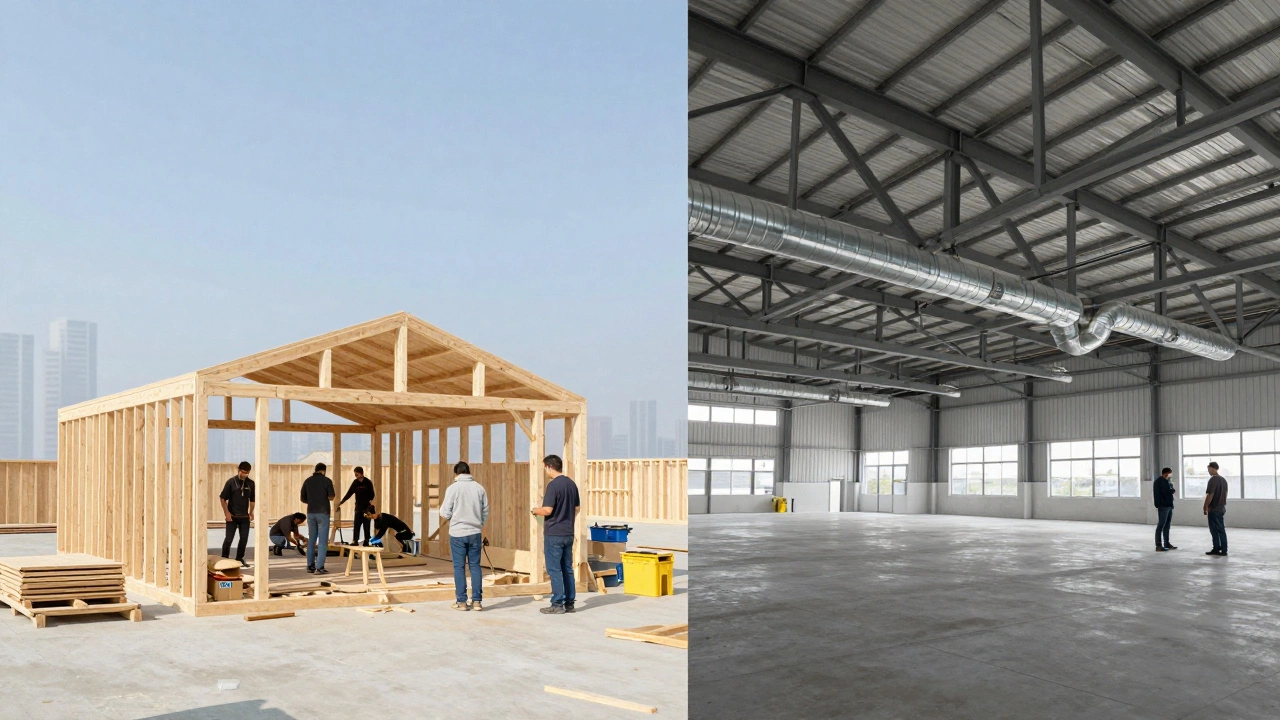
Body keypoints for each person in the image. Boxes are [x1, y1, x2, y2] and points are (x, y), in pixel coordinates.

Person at [531, 454, 580, 615]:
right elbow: (577, 508)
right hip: (568, 532)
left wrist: (534, 510)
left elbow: (547, 510)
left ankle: (557, 603)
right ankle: (570, 602)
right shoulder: (571, 484)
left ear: (550, 467)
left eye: (545, 467)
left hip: (554, 534)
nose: (545, 471)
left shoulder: (553, 486)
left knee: (554, 569)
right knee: (567, 568)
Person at [440, 461, 490, 611]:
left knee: (459, 567)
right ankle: (477, 602)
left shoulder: (452, 489)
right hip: (475, 532)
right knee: (475, 566)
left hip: (457, 533)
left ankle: (461, 602)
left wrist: (452, 518)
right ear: (469, 472)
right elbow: (485, 511)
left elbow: (444, 512)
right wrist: (479, 523)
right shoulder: (479, 488)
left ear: (456, 474)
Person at [300, 463, 336, 574]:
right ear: (324, 471)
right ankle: (320, 567)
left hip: (311, 513)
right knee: (322, 541)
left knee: (311, 540)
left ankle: (310, 566)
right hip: (323, 513)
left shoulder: (307, 481)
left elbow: (303, 498)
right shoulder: (327, 481)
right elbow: (331, 496)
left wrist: (312, 501)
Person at [218, 461, 256, 566]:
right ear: (238, 470)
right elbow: (222, 498)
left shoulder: (251, 483)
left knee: (244, 538)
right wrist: (227, 513)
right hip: (232, 516)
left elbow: (252, 500)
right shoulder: (231, 482)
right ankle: (224, 558)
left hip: (244, 517)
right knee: (229, 539)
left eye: (246, 473)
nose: (244, 475)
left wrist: (251, 512)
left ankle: (239, 558)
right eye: (242, 472)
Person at [339, 466, 377, 546]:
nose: (356, 475)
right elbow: (349, 493)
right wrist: (342, 501)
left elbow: (372, 494)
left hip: (366, 508)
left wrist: (369, 501)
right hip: (358, 507)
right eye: (355, 474)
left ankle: (366, 540)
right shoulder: (355, 483)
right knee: (357, 525)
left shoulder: (368, 482)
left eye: (357, 473)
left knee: (366, 525)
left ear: (361, 473)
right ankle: (355, 540)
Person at [1204, 461, 1229, 556]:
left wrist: (1205, 506)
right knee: (1220, 529)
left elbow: (1210, 494)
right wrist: (1222, 503)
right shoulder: (1223, 480)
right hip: (1221, 508)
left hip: (1214, 509)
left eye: (1209, 469)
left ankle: (1218, 548)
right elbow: (1226, 494)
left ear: (1213, 468)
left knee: (1215, 530)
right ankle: (1222, 549)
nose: (1208, 471)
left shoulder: (1213, 480)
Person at [1153, 467, 1177, 551]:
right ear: (1166, 473)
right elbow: (1165, 492)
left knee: (1167, 526)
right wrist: (1171, 491)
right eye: (1170, 473)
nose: (1170, 475)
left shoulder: (1167, 482)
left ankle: (1167, 543)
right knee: (1161, 525)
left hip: (1169, 505)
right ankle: (1158, 545)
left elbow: (1169, 491)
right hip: (1163, 506)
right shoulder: (1159, 482)